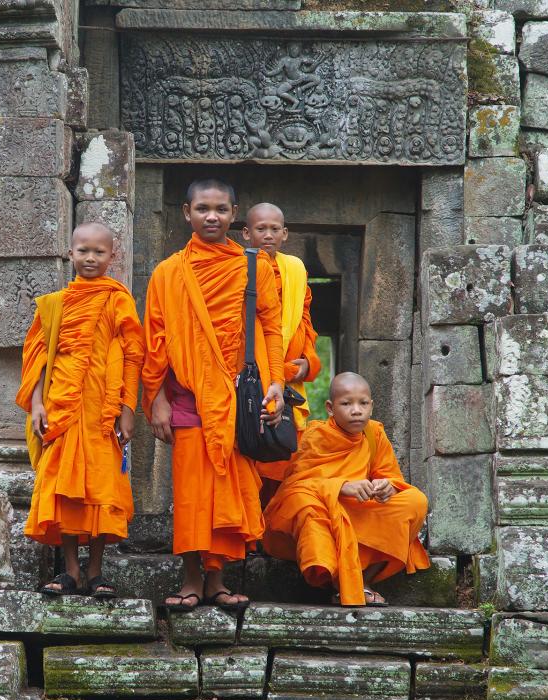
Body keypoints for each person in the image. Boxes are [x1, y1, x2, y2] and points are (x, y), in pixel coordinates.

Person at [143, 178, 286, 612]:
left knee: (229, 486)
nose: (212, 216)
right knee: (190, 492)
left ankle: (218, 579)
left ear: (234, 213)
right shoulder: (168, 272)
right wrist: (155, 400)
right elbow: (155, 339)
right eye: (203, 208)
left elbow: (272, 327)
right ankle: (190, 577)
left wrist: (276, 381)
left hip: (239, 398)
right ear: (186, 213)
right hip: (186, 395)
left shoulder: (253, 266)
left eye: (221, 209)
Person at [17, 222, 144, 599]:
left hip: (102, 413)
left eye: (99, 252)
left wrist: (128, 408)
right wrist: (37, 403)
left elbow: (134, 356)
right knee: (65, 490)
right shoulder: (54, 304)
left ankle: (96, 571)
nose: (90, 258)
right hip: (62, 411)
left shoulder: (117, 299)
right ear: (69, 253)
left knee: (102, 490)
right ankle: (70, 571)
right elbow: (38, 359)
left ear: (112, 256)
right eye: (83, 251)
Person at [262, 372, 430, 607]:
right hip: (326, 511)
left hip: (357, 511)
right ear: (330, 408)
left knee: (415, 500)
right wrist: (341, 487)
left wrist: (386, 487)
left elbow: (390, 476)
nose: (356, 410)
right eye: (346, 403)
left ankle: (361, 581)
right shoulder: (316, 436)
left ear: (371, 406)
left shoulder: (374, 433)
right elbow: (295, 485)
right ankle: (342, 583)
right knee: (302, 503)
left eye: (363, 403)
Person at [241, 203, 321, 503]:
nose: (268, 235)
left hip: (287, 380)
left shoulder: (296, 270)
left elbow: (305, 324)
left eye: (275, 229)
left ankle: (271, 533)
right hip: (250, 375)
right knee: (248, 455)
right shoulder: (238, 267)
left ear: (285, 233)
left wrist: (308, 364)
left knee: (281, 454)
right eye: (261, 229)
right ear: (247, 233)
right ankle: (249, 536)